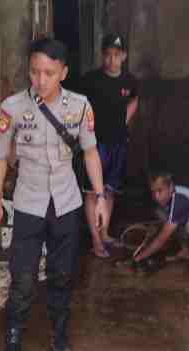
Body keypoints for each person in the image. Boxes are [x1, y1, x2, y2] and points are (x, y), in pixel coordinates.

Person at [0, 38, 107, 351]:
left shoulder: (81, 106)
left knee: (62, 275)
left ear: (63, 73)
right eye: (35, 72)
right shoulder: (12, 107)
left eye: (49, 73)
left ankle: (59, 338)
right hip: (28, 203)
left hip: (67, 203)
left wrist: (99, 197)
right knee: (22, 279)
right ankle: (12, 348)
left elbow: (90, 153)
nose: (40, 80)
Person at [79, 33, 139, 259]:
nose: (111, 60)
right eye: (107, 55)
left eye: (116, 55)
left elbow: (135, 99)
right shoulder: (90, 80)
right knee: (94, 192)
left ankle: (104, 233)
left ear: (123, 56)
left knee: (110, 189)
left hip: (119, 143)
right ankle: (95, 241)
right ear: (102, 56)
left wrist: (125, 118)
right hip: (96, 145)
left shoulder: (130, 81)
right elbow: (77, 104)